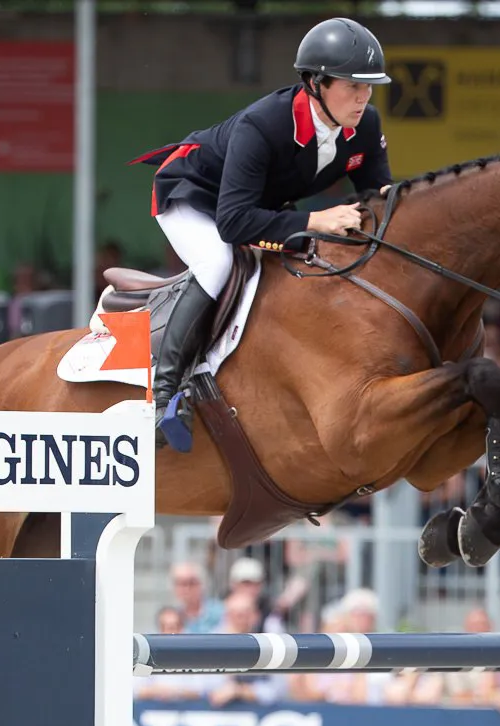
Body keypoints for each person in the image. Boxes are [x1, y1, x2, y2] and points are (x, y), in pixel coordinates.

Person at [130, 16, 394, 451]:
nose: (363, 97)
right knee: (218, 262)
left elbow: (375, 192)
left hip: (256, 206)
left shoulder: (364, 124)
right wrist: (314, 221)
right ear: (315, 83)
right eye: (352, 86)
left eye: (369, 87)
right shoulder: (264, 125)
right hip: (194, 197)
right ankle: (164, 396)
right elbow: (234, 224)